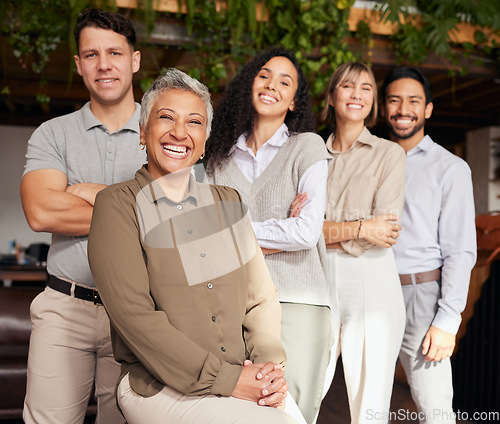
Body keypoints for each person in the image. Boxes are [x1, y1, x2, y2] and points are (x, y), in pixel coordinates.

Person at [87, 68, 299, 424]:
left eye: (194, 122)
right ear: (142, 131)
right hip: (157, 384)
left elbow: (260, 297)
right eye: (166, 117)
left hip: (243, 374)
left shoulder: (228, 202)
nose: (179, 132)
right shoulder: (117, 205)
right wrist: (230, 380)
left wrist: (266, 369)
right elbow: (135, 318)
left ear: (204, 142)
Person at [20, 9, 145, 424]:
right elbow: (40, 212)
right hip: (64, 306)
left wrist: (88, 193)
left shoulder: (167, 130)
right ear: (78, 64)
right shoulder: (52, 134)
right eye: (91, 54)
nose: (104, 64)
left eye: (114, 52)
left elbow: (177, 217)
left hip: (137, 311)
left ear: (135, 60)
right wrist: (135, 204)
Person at [205, 47, 332, 423]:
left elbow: (307, 232)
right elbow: (203, 239)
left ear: (294, 102)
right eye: (264, 75)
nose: (271, 85)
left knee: (293, 412)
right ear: (249, 84)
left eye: (285, 81)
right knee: (240, 412)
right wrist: (277, 233)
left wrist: (233, 231)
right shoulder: (217, 157)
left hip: (298, 299)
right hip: (233, 304)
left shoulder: (307, 147)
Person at [381, 66, 476, 423]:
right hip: (371, 291)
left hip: (421, 297)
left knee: (435, 409)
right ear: (383, 107)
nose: (403, 109)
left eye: (413, 101)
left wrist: (448, 320)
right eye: (394, 100)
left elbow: (461, 250)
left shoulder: (450, 169)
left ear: (428, 109)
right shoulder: (372, 160)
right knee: (367, 401)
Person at [320, 62, 406, 424]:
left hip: (372, 282)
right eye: (347, 86)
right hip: (318, 280)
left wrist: (327, 231)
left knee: (368, 404)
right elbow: (300, 231)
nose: (356, 94)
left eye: (366, 88)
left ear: (373, 103)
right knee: (299, 387)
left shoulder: (389, 155)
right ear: (331, 95)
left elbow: (382, 232)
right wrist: (359, 227)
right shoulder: (310, 154)